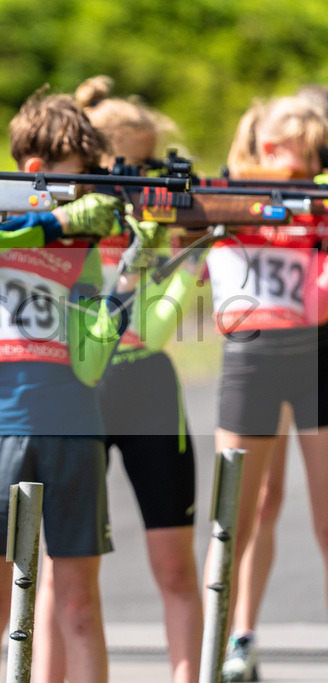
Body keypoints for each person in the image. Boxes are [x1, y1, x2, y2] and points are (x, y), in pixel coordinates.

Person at [0, 90, 164, 683]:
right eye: (78, 177)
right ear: (38, 168)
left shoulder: (82, 244)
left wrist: (132, 278)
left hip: (75, 423)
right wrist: (57, 221)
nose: (86, 192)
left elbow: (92, 360)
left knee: (78, 604)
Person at [77, 75, 203, 683]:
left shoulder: (158, 213)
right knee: (71, 577)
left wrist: (194, 248)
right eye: (131, 166)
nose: (144, 177)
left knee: (176, 568)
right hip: (80, 391)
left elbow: (155, 329)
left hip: (148, 386)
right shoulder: (69, 214)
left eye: (152, 165)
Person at [206, 95, 328, 682]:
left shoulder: (318, 204)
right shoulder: (231, 197)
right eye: (306, 154)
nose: (314, 168)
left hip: (316, 361)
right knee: (242, 513)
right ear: (271, 147)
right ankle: (233, 640)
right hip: (251, 364)